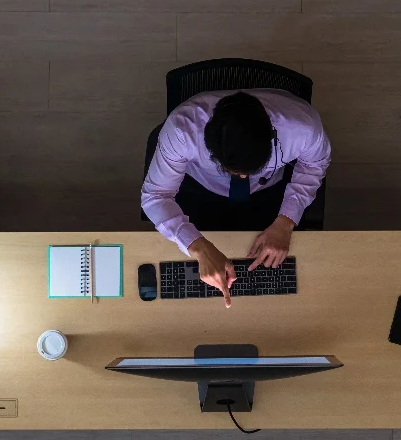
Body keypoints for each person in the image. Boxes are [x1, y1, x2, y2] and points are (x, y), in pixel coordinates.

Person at [142, 90, 331, 307]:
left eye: (249, 169)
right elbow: (156, 196)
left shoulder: (303, 128)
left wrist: (286, 221)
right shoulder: (182, 130)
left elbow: (314, 164)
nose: (243, 177)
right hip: (200, 187)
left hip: (268, 189)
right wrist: (198, 247)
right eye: (235, 171)